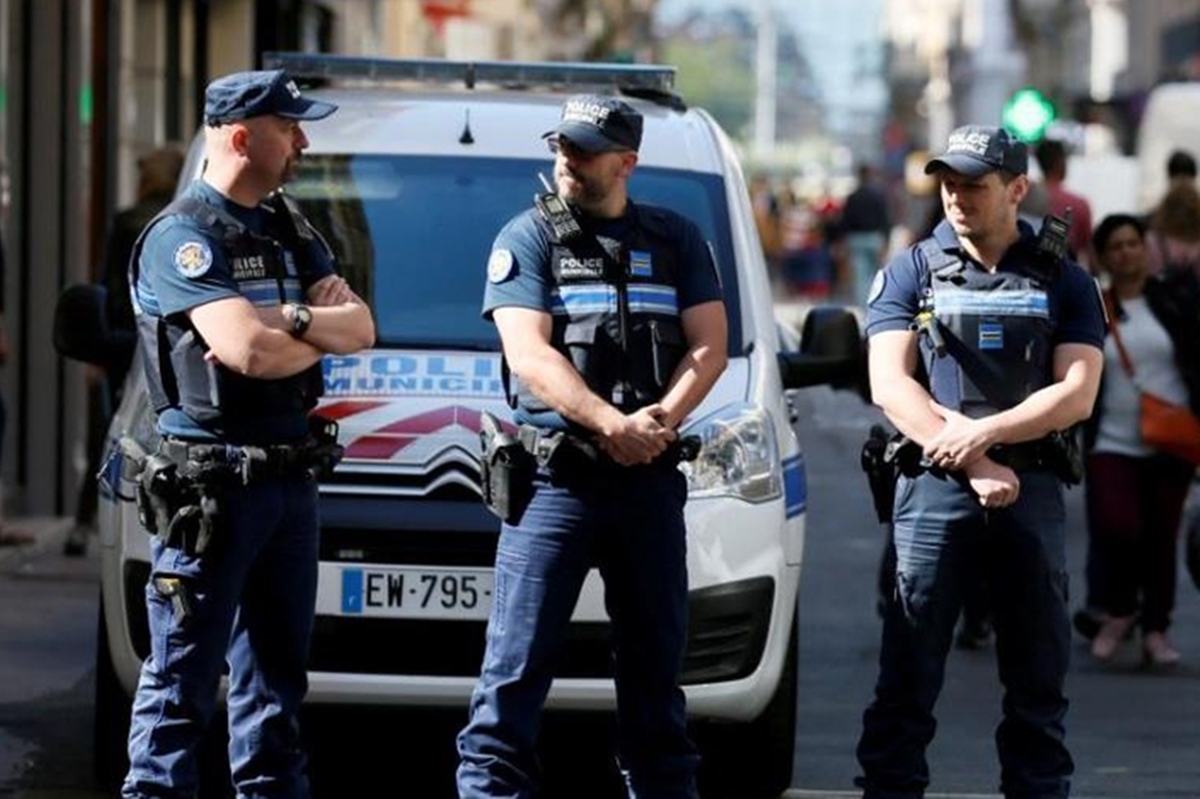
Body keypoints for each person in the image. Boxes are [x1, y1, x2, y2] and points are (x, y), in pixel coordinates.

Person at [455, 94, 728, 798]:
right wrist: (613, 424)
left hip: (648, 485)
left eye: (583, 149)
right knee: (512, 673)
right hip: (557, 485)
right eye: (562, 146)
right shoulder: (529, 237)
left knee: (654, 674)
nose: (567, 160)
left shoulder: (676, 238)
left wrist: (658, 419)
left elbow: (709, 344)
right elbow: (530, 355)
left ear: (627, 162)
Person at [121, 69, 375, 799]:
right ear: (239, 137)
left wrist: (288, 322)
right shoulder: (184, 237)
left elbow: (361, 327)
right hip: (213, 488)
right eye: (289, 127)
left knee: (275, 697)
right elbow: (246, 354)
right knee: (180, 692)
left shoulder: (290, 226)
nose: (302, 141)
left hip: (289, 483)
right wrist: (303, 332)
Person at [855, 124, 1106, 798]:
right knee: (905, 682)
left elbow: (1077, 390)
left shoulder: (1065, 277)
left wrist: (985, 435)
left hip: (1031, 488)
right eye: (948, 183)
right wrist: (974, 462)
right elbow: (890, 383)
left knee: (1037, 683)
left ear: (1018, 190)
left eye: (974, 184)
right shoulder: (912, 267)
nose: (957, 197)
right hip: (936, 490)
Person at [1080, 214, 1200, 666]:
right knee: (1119, 528)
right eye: (1117, 246)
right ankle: (1119, 611)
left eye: (1133, 244)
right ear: (1104, 256)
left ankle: (1156, 629)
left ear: (1146, 250)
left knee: (1161, 539)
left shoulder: (1176, 301)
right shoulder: (1095, 307)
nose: (1127, 253)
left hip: (1171, 442)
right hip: (1111, 442)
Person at [64, 144, 185, 556]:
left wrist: (102, 348)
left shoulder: (128, 220)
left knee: (116, 428)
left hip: (123, 341)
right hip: (170, 342)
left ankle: (86, 523)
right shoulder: (182, 222)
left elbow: (108, 284)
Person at [1034, 138, 1094, 272]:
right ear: (1060, 162)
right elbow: (1089, 253)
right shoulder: (1077, 204)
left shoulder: (1024, 198)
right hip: (1065, 277)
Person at [841, 163, 892, 307]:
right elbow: (885, 219)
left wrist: (844, 241)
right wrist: (886, 241)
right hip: (874, 238)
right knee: (876, 275)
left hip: (856, 239)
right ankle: (876, 303)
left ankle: (863, 305)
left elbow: (846, 221)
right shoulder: (878, 196)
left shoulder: (852, 197)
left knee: (861, 276)